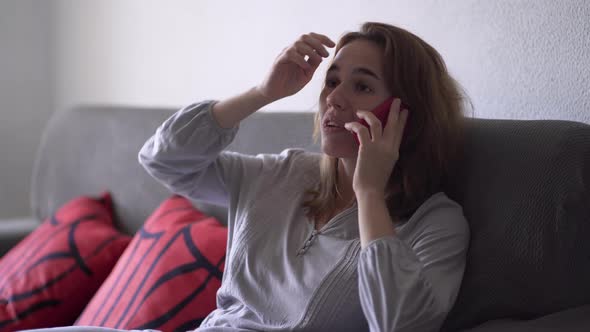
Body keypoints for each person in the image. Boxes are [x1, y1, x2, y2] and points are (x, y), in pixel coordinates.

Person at [24, 21, 469, 332]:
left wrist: (369, 194)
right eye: (332, 80)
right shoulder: (283, 174)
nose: (334, 98)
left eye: (363, 86)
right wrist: (263, 92)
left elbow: (399, 324)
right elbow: (163, 160)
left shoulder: (436, 224)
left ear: (405, 116)